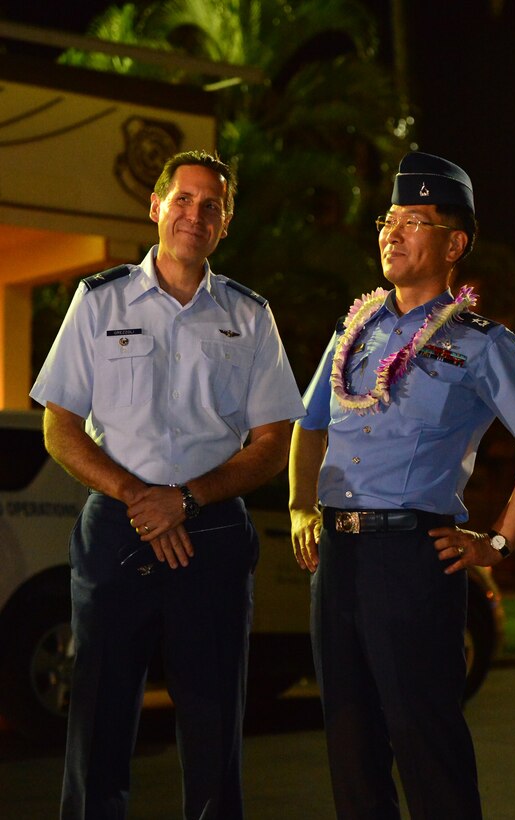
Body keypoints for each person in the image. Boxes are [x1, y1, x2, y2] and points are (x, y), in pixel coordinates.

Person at [289, 151, 515, 819]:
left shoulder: (482, 344)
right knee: (351, 744)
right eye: (390, 217)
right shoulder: (354, 327)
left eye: (416, 220)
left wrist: (496, 541)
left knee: (424, 740)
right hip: (338, 555)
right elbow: (308, 423)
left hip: (411, 558)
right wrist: (301, 504)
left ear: (455, 243)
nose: (393, 230)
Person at [30, 149, 305, 820]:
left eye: (211, 205)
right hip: (117, 529)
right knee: (97, 722)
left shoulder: (249, 315)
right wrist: (137, 497)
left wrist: (185, 501)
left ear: (226, 222)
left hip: (210, 533)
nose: (195, 213)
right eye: (182, 199)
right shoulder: (99, 302)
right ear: (155, 207)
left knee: (214, 731)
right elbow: (59, 426)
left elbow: (274, 443)